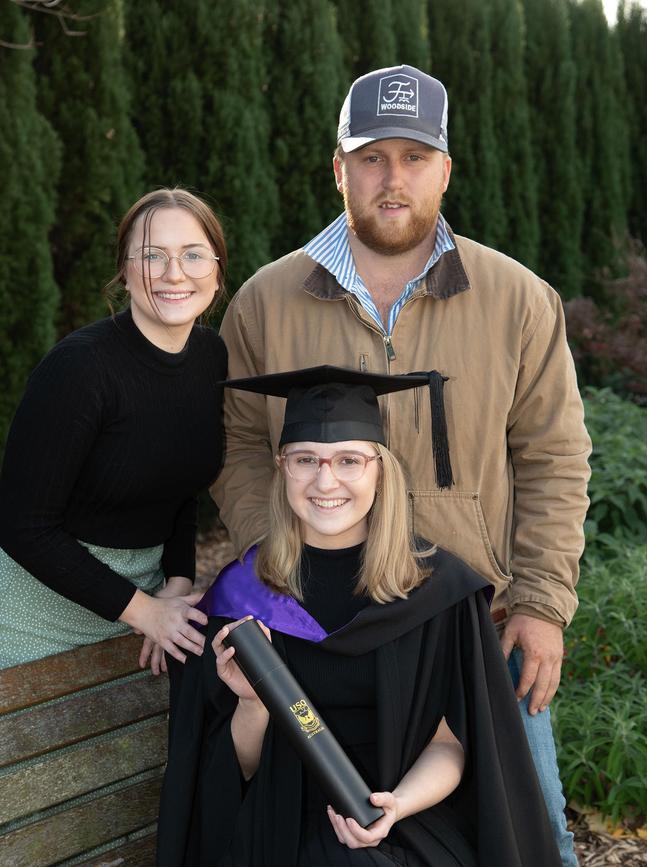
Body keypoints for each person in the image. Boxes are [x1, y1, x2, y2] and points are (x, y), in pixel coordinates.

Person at [212, 65, 592, 866]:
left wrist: (543, 600)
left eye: (414, 157)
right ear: (338, 165)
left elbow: (555, 458)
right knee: (331, 842)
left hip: (477, 633)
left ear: (445, 169)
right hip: (322, 641)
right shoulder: (265, 300)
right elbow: (239, 448)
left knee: (535, 837)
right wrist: (276, 569)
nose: (394, 178)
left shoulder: (518, 300)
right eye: (373, 155)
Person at [158, 366, 562, 866]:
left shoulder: (437, 591)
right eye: (306, 460)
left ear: (380, 470)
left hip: (409, 812)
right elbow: (231, 774)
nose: (325, 481)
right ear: (282, 466)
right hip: (285, 817)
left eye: (349, 460)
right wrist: (253, 704)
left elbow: (451, 746)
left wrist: (396, 808)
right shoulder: (244, 596)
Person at [0, 188, 227, 672]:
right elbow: (22, 526)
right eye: (152, 256)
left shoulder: (211, 358)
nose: (174, 273)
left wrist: (178, 583)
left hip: (143, 609)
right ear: (124, 272)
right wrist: (144, 611)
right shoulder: (79, 370)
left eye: (192, 255)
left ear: (216, 270)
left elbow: (180, 490)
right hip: (34, 616)